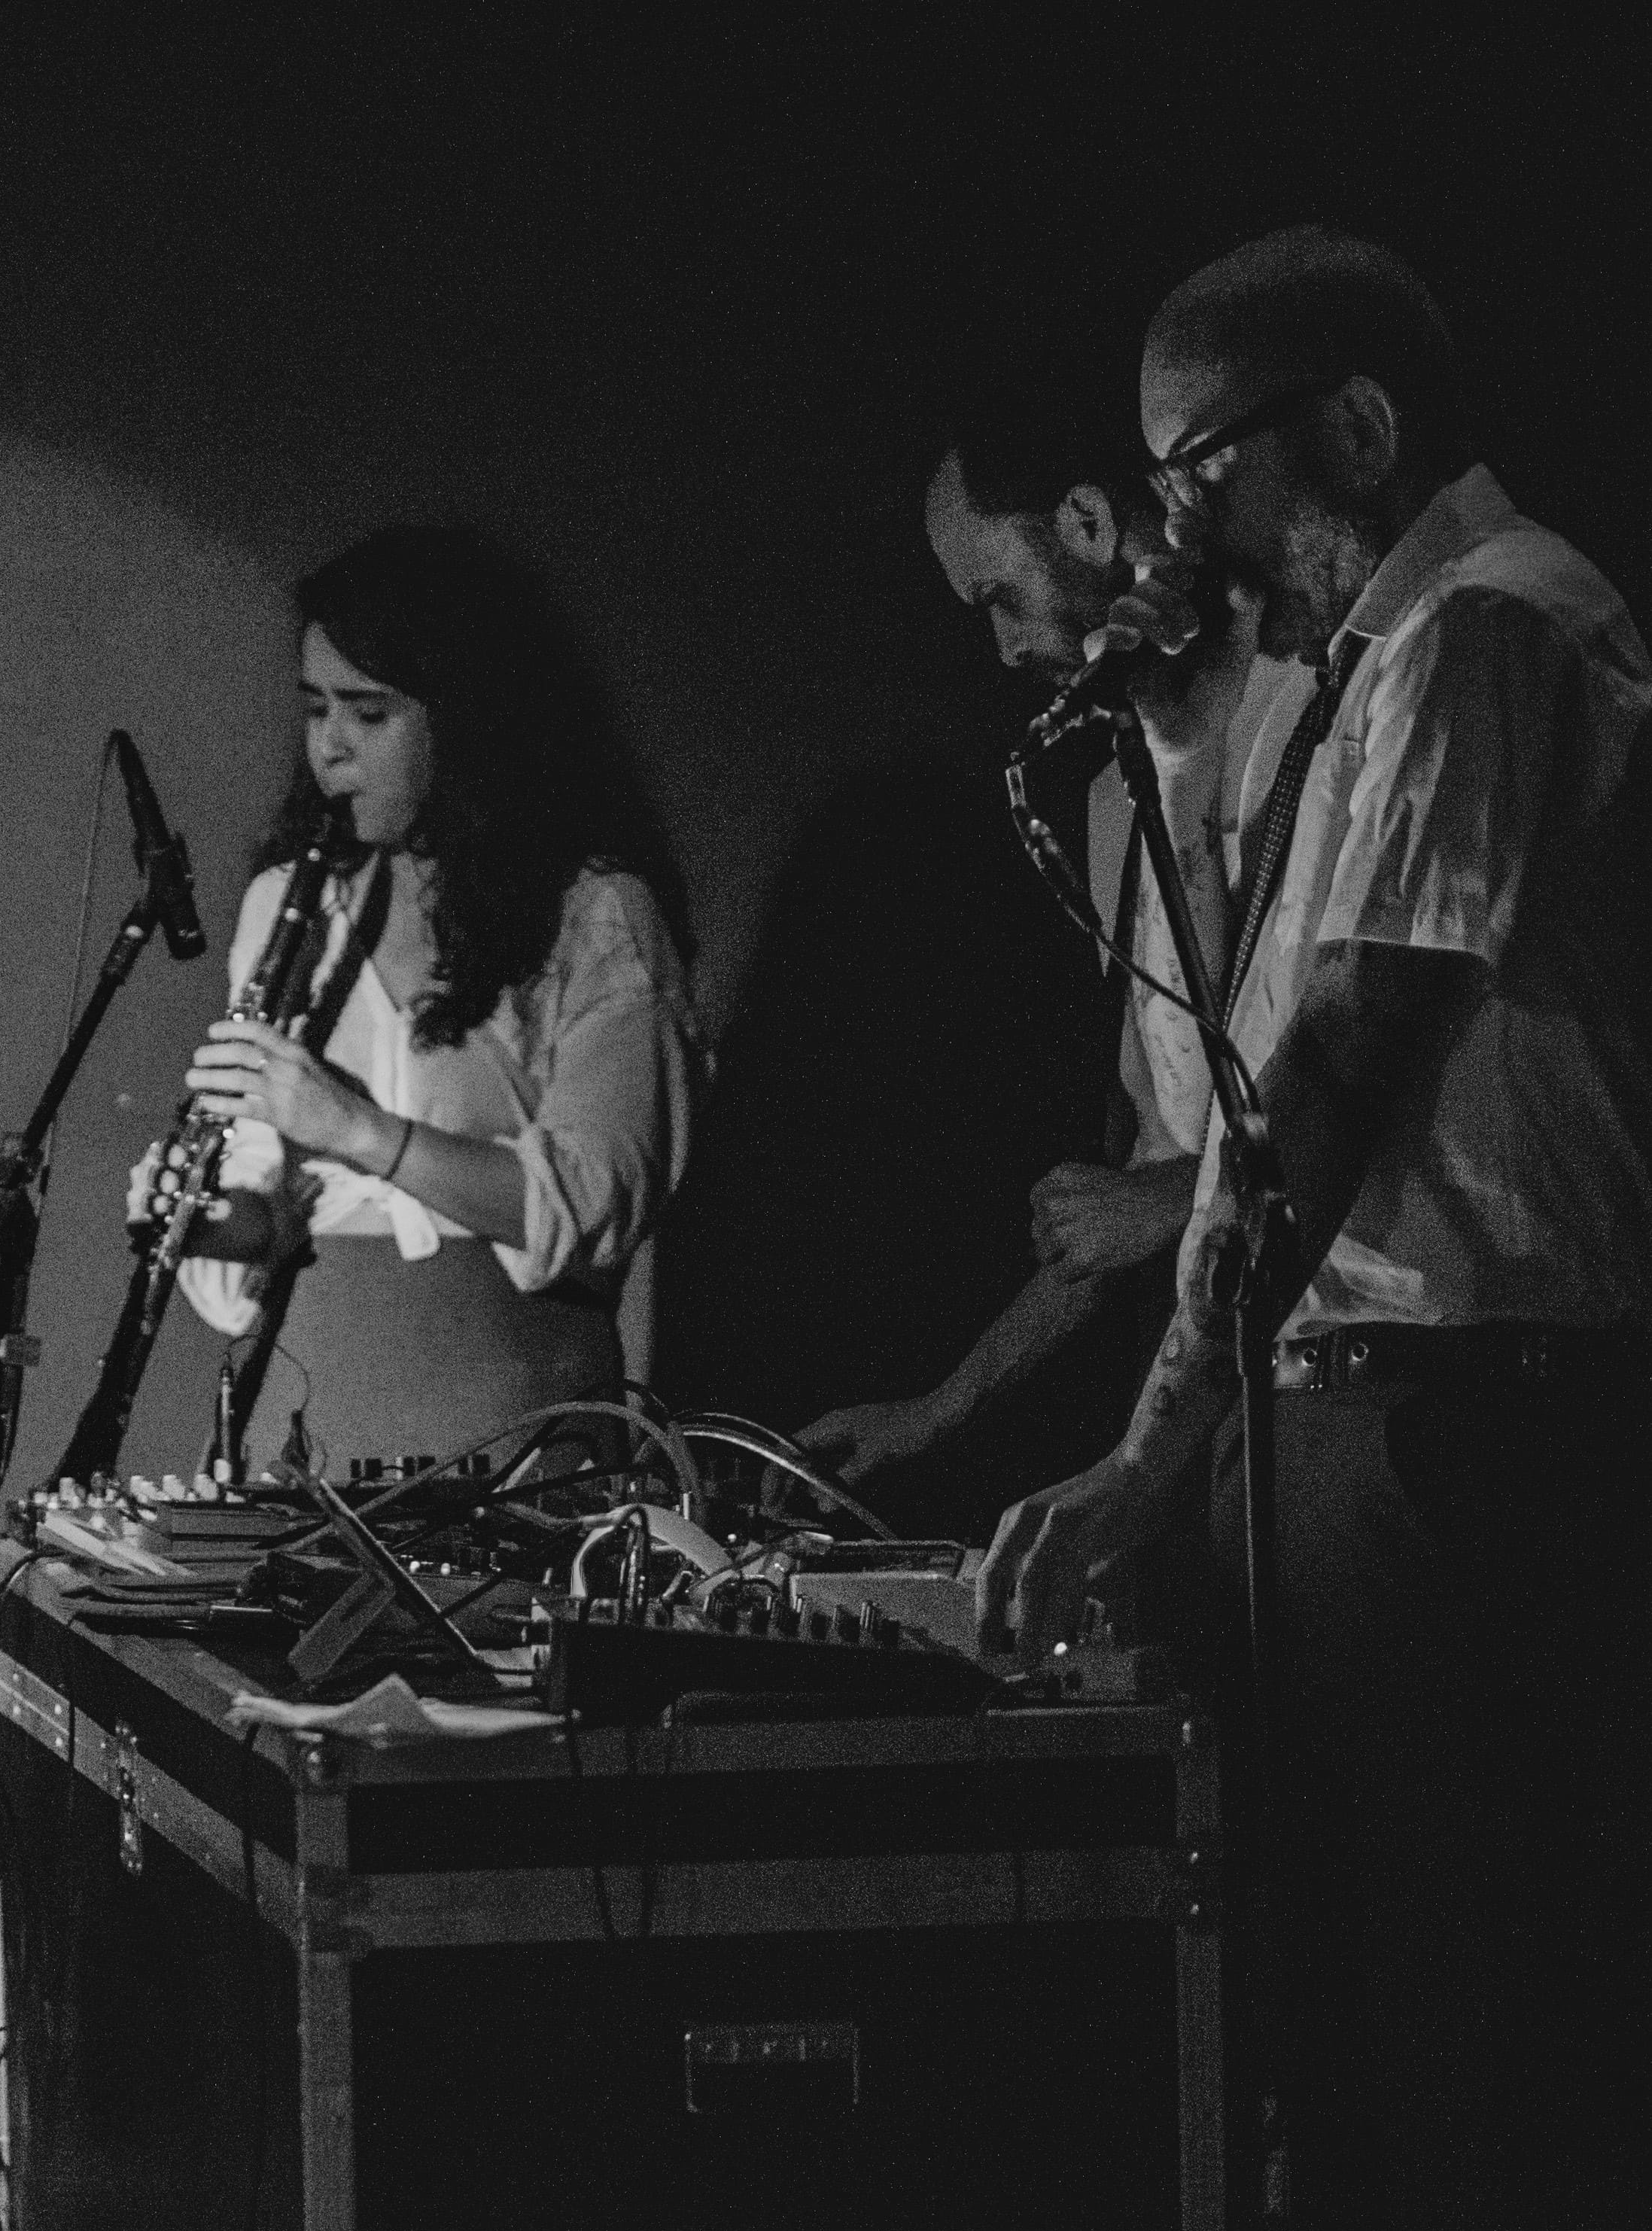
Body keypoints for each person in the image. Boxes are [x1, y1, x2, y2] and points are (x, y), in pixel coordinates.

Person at [977, 229, 1652, 2231]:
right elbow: (1254, 1086)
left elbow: (1339, 1079)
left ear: (1352, 430)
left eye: (1200, 472)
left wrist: (1148, 1455)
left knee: (1469, 2028)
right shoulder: (1374, 668)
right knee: (1384, 2027)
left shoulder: (1483, 630)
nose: (1179, 532)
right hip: (1375, 1408)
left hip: (1463, 1419)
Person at [795, 358, 1307, 1511]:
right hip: (1222, 1397)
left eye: (999, 597)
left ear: (1085, 521)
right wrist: (938, 1408)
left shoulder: (1316, 710)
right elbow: (1126, 1190)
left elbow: (1374, 1067)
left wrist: (1174, 1199)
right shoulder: (1118, 797)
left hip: (1386, 1365)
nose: (1001, 649)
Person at [138, 524, 701, 1477]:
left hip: (510, 1413)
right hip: (304, 1414)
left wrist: (356, 1128)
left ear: (466, 719)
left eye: (369, 713)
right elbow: (272, 1206)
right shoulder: (287, 903)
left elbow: (594, 1201)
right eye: (314, 707)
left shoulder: (596, 913)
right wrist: (209, 1218)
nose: (330, 746)